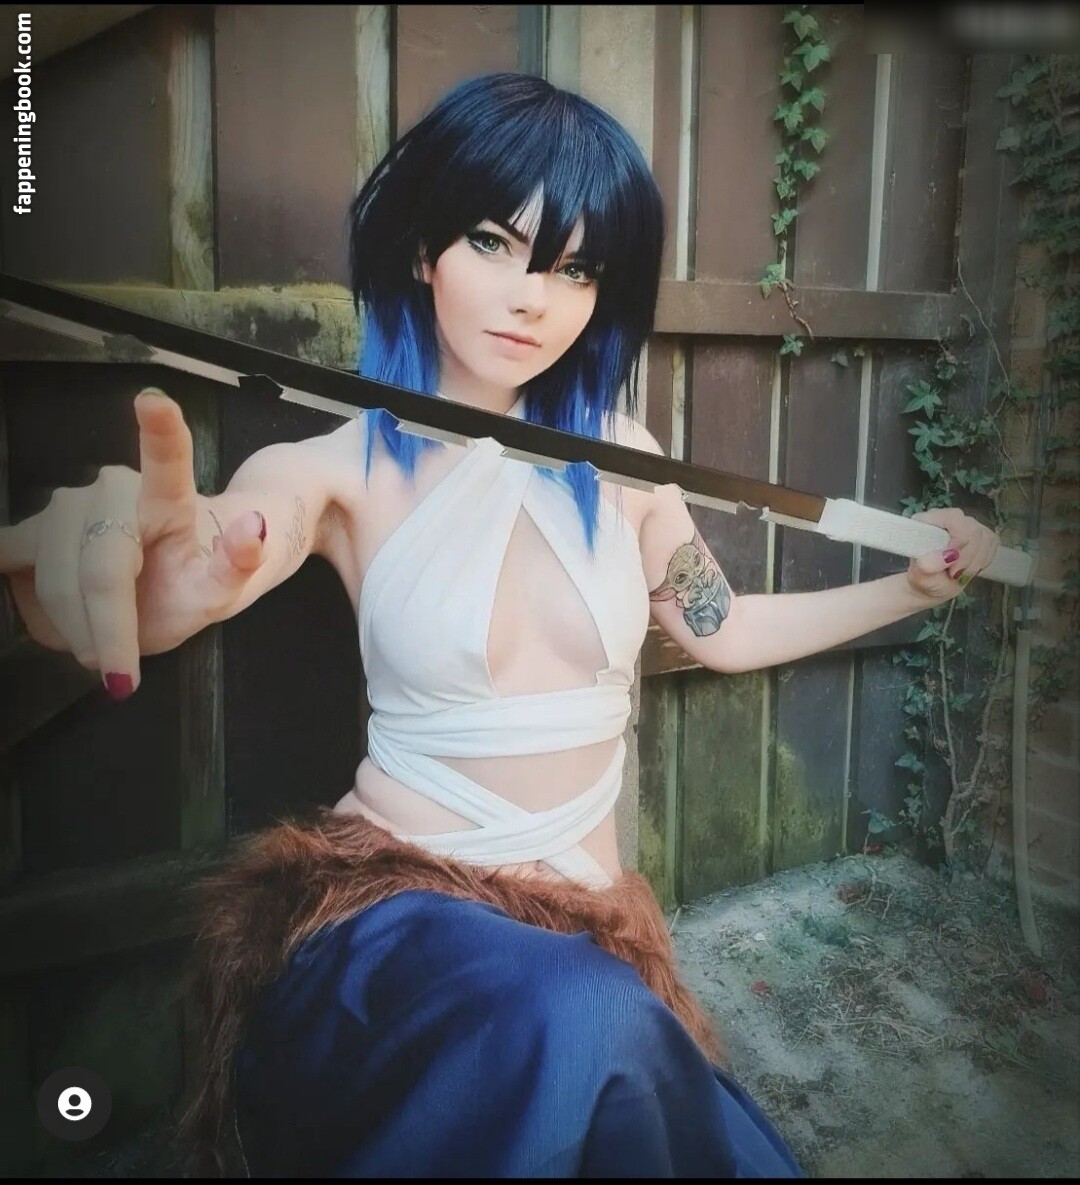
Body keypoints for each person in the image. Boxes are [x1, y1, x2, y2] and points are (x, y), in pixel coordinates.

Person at [0, 73, 999, 1177]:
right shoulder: (333, 469)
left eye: (576, 268)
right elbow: (227, 543)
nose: (535, 299)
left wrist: (908, 593)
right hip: (404, 923)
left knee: (604, 1050)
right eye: (492, 242)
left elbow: (724, 628)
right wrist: (157, 580)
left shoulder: (624, 461)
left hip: (588, 930)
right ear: (423, 251)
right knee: (583, 1030)